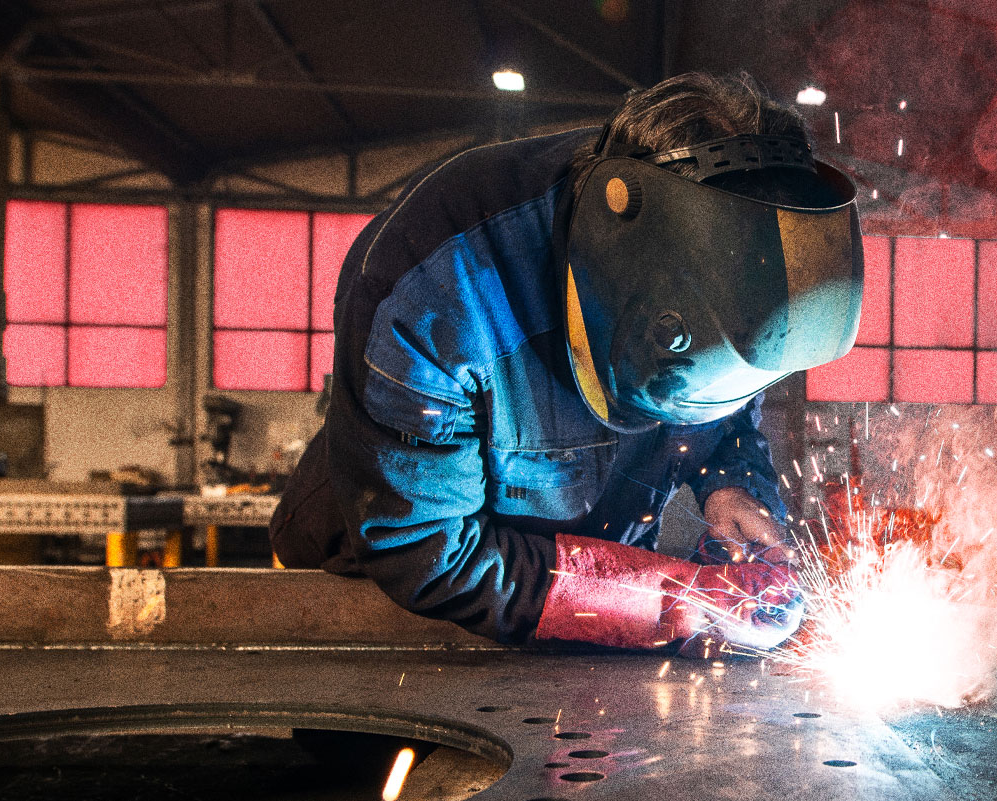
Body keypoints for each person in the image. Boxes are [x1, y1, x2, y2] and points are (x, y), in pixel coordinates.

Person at [270, 72, 862, 654]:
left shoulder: (720, 290)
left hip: (593, 608)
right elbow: (425, 550)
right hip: (378, 612)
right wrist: (674, 599)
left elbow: (719, 416)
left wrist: (733, 486)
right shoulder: (435, 288)